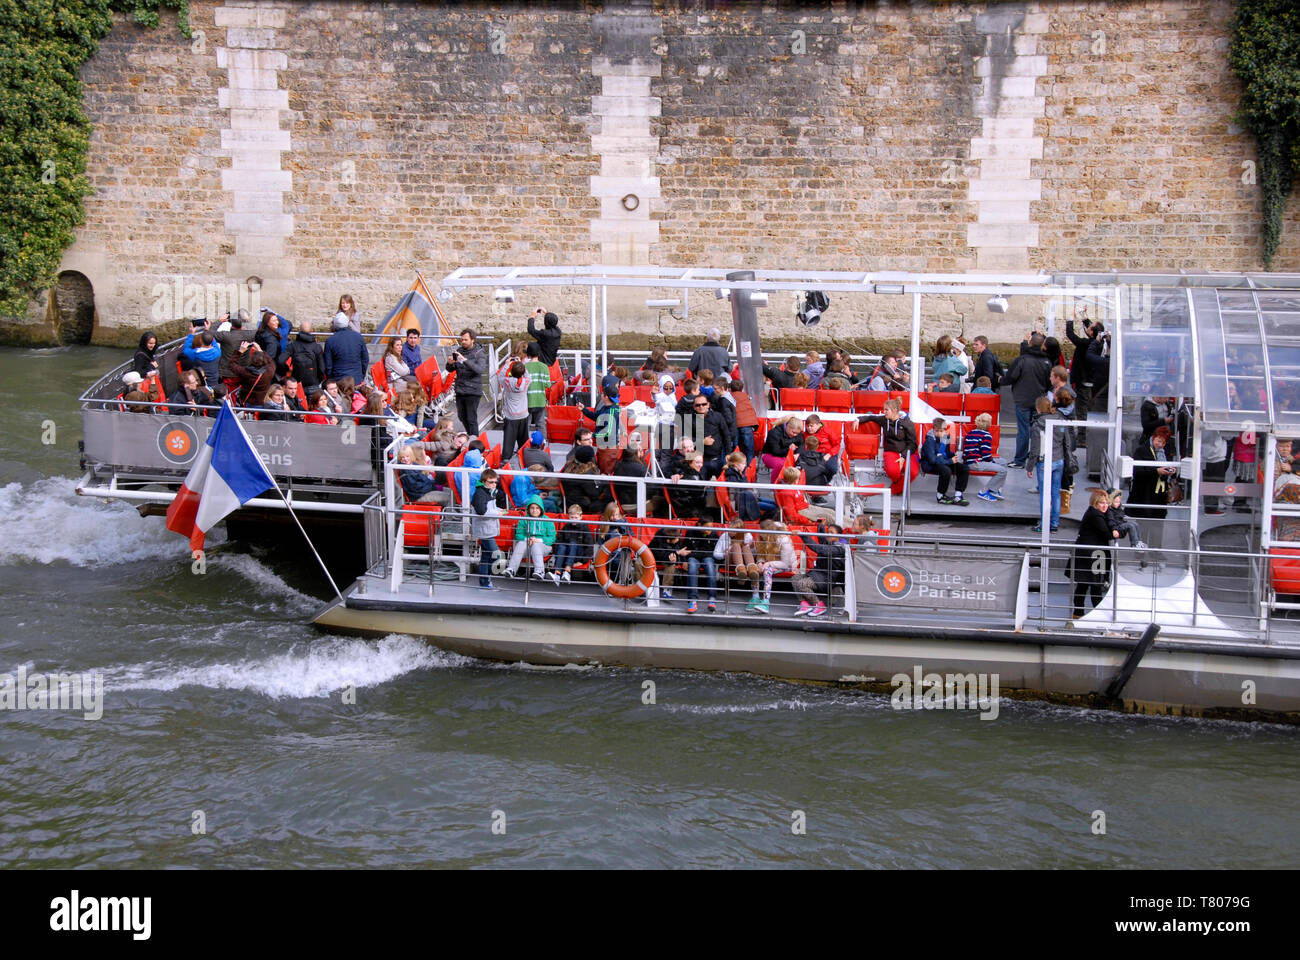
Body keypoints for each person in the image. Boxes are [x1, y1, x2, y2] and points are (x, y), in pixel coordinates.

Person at [1004, 332, 1052, 467]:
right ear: (1043, 345)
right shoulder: (1046, 362)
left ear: (1030, 343)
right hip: (1039, 401)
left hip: (1022, 399)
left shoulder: (1022, 360)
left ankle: (1020, 460)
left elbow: (1012, 376)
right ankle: (1038, 458)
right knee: (1038, 430)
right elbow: (1049, 382)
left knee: (1023, 430)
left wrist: (1002, 380)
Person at [1072, 489, 1118, 618]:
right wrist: (1115, 531)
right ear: (1095, 503)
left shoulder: (1093, 513)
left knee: (1084, 584)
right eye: (1102, 503)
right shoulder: (1096, 516)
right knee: (1095, 585)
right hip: (1093, 556)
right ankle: (1097, 613)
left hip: (1089, 554)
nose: (1105, 506)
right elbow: (1107, 534)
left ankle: (1078, 612)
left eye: (1106, 503)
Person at [858, 398, 918, 495]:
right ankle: (899, 488)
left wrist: (903, 456)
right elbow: (871, 417)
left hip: (907, 452)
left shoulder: (907, 423)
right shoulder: (884, 420)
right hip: (891, 451)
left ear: (894, 410)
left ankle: (893, 490)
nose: (884, 412)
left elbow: (913, 443)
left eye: (886, 410)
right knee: (893, 472)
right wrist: (858, 419)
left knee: (913, 472)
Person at [1027, 396, 1069, 532]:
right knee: (1056, 493)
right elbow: (1067, 442)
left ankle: (1044, 524)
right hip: (1059, 460)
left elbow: (1035, 448)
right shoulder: (1060, 420)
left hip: (1044, 462)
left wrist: (1029, 466)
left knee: (1045, 494)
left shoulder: (1037, 424)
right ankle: (1054, 524)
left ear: (1038, 408)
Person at [446, 327, 488, 437]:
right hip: (460, 389)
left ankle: (474, 440)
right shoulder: (459, 350)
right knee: (461, 416)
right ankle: (470, 435)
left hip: (473, 390)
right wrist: (450, 363)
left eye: (466, 340)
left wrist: (464, 360)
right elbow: (450, 369)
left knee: (471, 418)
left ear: (472, 340)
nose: (463, 342)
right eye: (462, 340)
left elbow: (480, 369)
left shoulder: (479, 353)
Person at [471, 468, 508, 589]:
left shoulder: (487, 492)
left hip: (487, 529)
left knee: (486, 556)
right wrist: (497, 513)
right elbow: (482, 511)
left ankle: (484, 582)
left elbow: (488, 509)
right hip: (484, 530)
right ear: (484, 481)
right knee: (497, 555)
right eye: (491, 482)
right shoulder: (480, 494)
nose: (494, 484)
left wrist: (498, 511)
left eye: (495, 482)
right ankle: (490, 577)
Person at [920, 418, 971, 506]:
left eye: (941, 431)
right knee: (946, 470)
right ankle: (940, 496)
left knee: (964, 468)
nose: (939, 433)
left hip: (943, 461)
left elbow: (946, 452)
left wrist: (953, 456)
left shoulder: (946, 437)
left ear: (944, 430)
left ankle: (958, 496)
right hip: (930, 464)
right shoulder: (930, 440)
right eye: (937, 431)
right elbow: (932, 459)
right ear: (933, 429)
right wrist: (949, 461)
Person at [504, 496, 556, 580]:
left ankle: (540, 571)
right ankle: (511, 569)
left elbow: (552, 538)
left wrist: (538, 540)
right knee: (521, 543)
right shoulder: (524, 519)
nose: (534, 510)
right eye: (532, 508)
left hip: (543, 546)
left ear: (541, 509)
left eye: (537, 508)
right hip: (527, 546)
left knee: (536, 545)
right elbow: (518, 535)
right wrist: (527, 539)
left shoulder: (547, 520)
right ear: (528, 508)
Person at [750, 520, 796, 615]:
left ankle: (765, 602)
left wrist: (769, 563)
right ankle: (755, 597)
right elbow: (761, 555)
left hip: (786, 565)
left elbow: (785, 563)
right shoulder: (762, 538)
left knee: (767, 570)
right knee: (754, 567)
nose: (760, 533)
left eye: (762, 531)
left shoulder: (783, 540)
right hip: (771, 563)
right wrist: (760, 562)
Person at [963, 412, 1007, 502]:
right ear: (989, 424)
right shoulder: (986, 435)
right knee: (1003, 470)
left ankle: (995, 489)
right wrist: (993, 462)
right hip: (976, 463)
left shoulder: (970, 433)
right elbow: (986, 455)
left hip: (970, 461)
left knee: (1003, 462)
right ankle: (985, 491)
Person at [497, 360, 532, 464]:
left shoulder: (507, 382)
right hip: (523, 414)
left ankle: (506, 458)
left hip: (511, 416)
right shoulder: (526, 382)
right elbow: (527, 374)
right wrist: (522, 364)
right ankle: (525, 454)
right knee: (524, 438)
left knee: (508, 438)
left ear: (511, 371)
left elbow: (500, 376)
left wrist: (507, 363)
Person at [682, 520, 721, 613]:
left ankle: (712, 599)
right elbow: (683, 548)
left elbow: (717, 552)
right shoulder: (690, 532)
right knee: (692, 570)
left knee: (711, 569)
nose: (709, 530)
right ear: (699, 525)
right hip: (693, 557)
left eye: (711, 527)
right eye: (707, 527)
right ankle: (692, 600)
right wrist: (683, 561)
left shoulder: (714, 535)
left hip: (707, 557)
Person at [551, 503, 595, 583]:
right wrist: (557, 554)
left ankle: (567, 571)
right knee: (561, 546)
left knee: (572, 542)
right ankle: (557, 574)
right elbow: (559, 541)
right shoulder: (566, 527)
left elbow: (589, 546)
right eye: (572, 517)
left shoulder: (584, 527)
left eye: (576, 517)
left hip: (578, 555)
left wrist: (582, 561)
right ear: (568, 517)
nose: (574, 519)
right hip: (566, 554)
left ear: (581, 517)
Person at [323, 311, 369, 384]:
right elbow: (365, 359)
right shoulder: (358, 337)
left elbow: (328, 365)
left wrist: (330, 379)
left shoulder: (330, 340)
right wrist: (361, 375)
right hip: (356, 378)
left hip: (338, 378)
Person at [560, 444, 606, 513]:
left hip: (569, 501)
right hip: (582, 506)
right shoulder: (586, 475)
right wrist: (603, 483)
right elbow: (595, 494)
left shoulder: (569, 466)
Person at [231, 341, 276, 406]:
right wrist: (260, 351)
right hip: (262, 402)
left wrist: (240, 352)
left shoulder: (245, 372)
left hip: (248, 401)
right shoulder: (269, 372)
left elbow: (232, 365)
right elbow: (271, 362)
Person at [761, 416, 804, 483]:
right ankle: (775, 485)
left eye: (797, 433)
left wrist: (797, 453)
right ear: (788, 426)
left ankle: (795, 484)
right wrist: (789, 449)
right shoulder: (774, 432)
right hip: (770, 455)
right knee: (781, 464)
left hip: (788, 454)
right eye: (793, 432)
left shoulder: (798, 433)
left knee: (802, 462)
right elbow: (775, 451)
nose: (795, 435)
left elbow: (801, 444)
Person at [288, 320, 326, 394]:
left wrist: (288, 372)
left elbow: (281, 361)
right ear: (312, 330)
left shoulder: (293, 346)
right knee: (314, 404)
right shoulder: (317, 347)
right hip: (313, 382)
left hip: (297, 383)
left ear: (299, 330)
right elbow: (322, 368)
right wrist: (318, 380)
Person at [728, 377, 759, 464]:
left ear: (731, 388)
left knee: (734, 448)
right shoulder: (746, 397)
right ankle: (750, 468)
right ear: (742, 388)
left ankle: (734, 466)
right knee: (749, 449)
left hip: (735, 425)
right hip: (747, 425)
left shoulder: (729, 396)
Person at [522, 342, 551, 431]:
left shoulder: (525, 366)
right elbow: (547, 384)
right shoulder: (544, 367)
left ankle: (524, 443)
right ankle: (542, 442)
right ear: (539, 354)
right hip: (540, 399)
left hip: (528, 399)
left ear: (528, 354)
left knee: (526, 423)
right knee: (540, 423)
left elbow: (522, 383)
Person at [254, 310, 285, 375]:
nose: (277, 322)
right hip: (269, 369)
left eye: (277, 320)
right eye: (274, 321)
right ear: (267, 323)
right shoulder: (270, 339)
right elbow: (270, 356)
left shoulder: (260, 332)